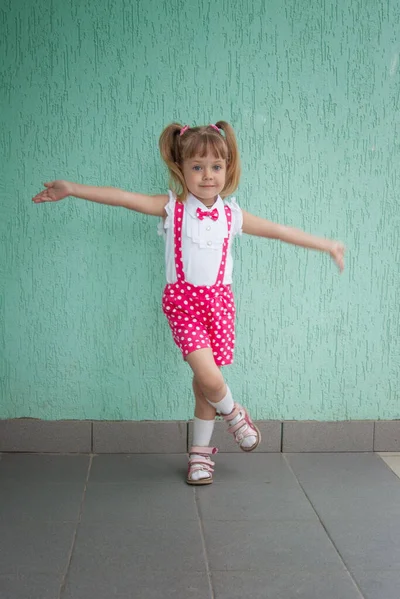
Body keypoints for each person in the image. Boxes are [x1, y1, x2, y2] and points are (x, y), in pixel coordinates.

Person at [32, 121, 345, 485]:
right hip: (183, 304)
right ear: (181, 169)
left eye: (216, 166)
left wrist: (326, 245)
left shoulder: (233, 215)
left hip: (220, 305)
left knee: (203, 385)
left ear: (228, 168)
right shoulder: (172, 208)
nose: (208, 175)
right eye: (197, 167)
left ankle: (200, 454)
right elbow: (120, 196)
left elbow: (281, 231)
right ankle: (234, 413)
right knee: (212, 379)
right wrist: (72, 189)